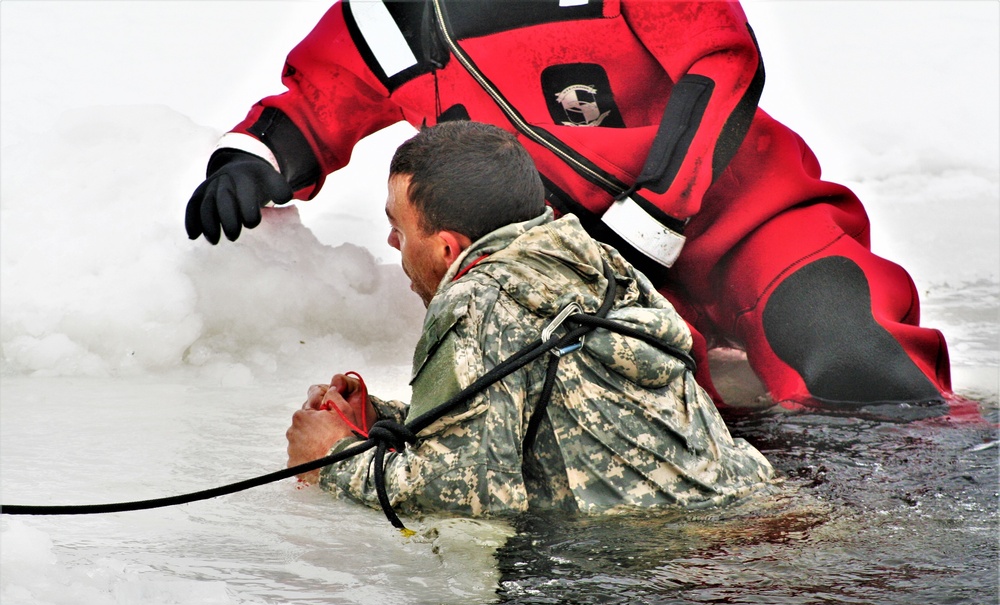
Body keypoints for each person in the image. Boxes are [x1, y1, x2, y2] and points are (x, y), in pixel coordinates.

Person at [187, 0, 951, 410]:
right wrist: (252, 159)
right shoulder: (398, 16)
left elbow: (719, 63)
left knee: (851, 351)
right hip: (577, 272)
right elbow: (318, 101)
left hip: (752, 219)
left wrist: (653, 214)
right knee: (635, 420)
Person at [284, 121, 773, 516]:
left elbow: (469, 494)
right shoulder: (592, 257)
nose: (393, 244)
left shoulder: (476, 299)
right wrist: (381, 422)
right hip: (746, 503)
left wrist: (332, 458)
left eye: (399, 228)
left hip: (677, 556)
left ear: (448, 247)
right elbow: (522, 406)